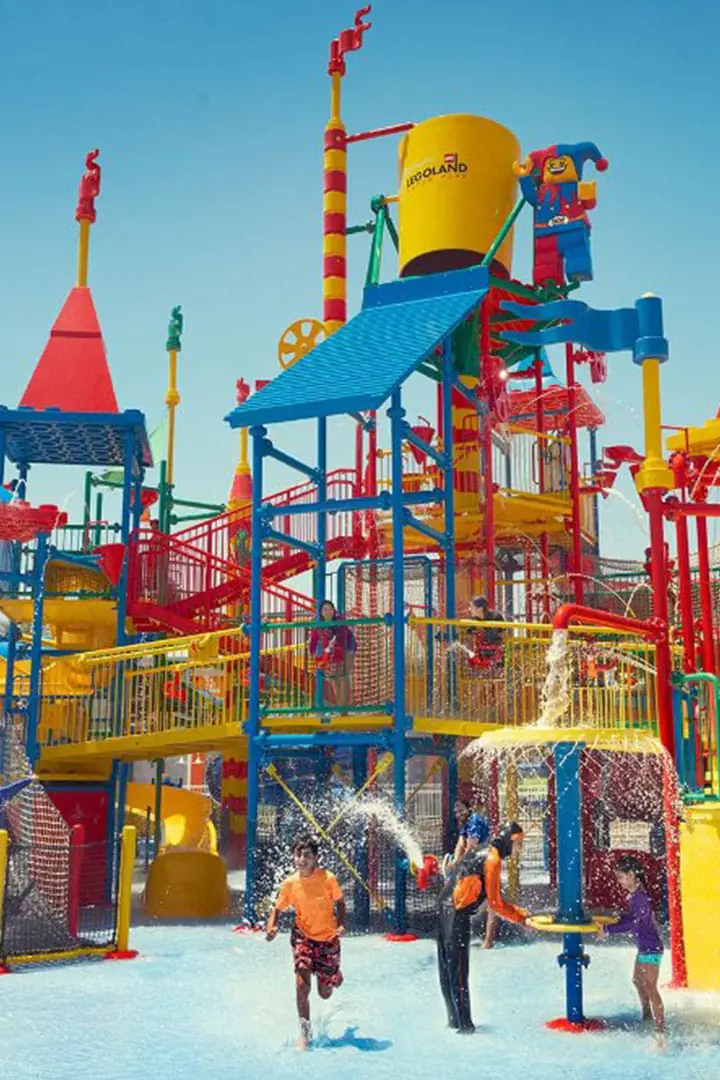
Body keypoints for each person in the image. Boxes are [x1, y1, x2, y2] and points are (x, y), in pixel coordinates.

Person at [437, 822, 529, 1034]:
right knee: (459, 972)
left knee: (446, 969)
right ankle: (466, 1028)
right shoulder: (493, 859)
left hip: (443, 907)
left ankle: (454, 1021)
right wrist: (521, 917)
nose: (520, 849)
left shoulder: (482, 850)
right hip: (456, 913)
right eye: (519, 844)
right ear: (509, 840)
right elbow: (495, 903)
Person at [266, 834, 346, 1050]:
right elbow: (277, 908)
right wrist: (271, 927)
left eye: (307, 855)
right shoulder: (290, 883)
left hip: (327, 939)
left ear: (316, 858)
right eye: (298, 855)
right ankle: (305, 1034)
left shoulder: (327, 879)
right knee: (302, 986)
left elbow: (340, 902)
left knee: (324, 993)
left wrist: (341, 924)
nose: (302, 859)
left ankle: (333, 975)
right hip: (303, 937)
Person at [597, 854, 665, 1040]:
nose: (619, 881)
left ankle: (660, 1031)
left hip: (651, 948)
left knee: (650, 987)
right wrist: (615, 920)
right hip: (644, 947)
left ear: (632, 874)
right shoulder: (635, 895)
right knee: (637, 980)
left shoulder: (640, 897)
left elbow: (634, 922)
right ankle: (647, 1015)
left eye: (621, 877)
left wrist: (608, 929)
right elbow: (630, 918)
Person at [448, 799, 498, 949]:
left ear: (469, 808)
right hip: (476, 861)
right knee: (466, 894)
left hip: (488, 860)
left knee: (492, 900)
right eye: (455, 812)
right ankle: (463, 934)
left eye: (461, 810)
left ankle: (488, 941)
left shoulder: (474, 820)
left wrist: (458, 863)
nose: (458, 814)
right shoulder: (465, 823)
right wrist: (456, 860)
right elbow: (460, 842)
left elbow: (472, 846)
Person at [309, 600, 357, 709]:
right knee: (333, 679)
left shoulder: (338, 621)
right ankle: (340, 705)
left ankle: (344, 708)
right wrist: (314, 655)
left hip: (347, 648)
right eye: (325, 609)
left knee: (343, 676)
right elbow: (313, 642)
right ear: (320, 612)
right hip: (331, 653)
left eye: (330, 609)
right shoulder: (318, 626)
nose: (328, 612)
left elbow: (344, 638)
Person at [467, 596, 505, 667]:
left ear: (480, 609)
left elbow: (503, 633)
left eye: (472, 607)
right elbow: (469, 634)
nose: (469, 609)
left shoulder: (495, 616)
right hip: (482, 651)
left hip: (495, 650)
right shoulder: (473, 620)